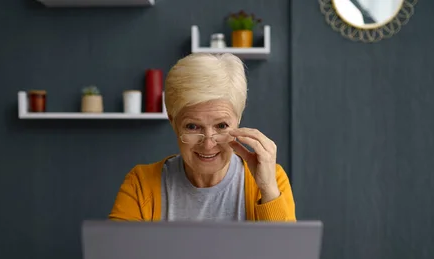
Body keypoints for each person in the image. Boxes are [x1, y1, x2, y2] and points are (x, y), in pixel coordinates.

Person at [109, 53, 296, 222]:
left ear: (237, 120)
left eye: (221, 126)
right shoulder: (140, 184)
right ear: (173, 122)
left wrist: (268, 190)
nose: (208, 144)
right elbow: (114, 258)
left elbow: (289, 258)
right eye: (192, 126)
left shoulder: (272, 179)